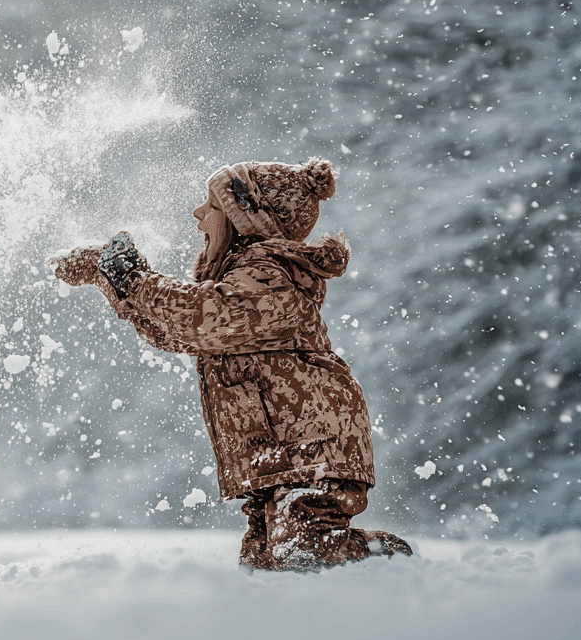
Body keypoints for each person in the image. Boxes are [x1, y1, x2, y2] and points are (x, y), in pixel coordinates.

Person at [51, 159, 412, 572]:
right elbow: (176, 333)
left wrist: (132, 279)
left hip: (313, 447)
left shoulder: (272, 276)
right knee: (262, 562)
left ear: (245, 219)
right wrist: (109, 278)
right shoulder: (242, 279)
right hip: (276, 456)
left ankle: (386, 562)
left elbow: (202, 315)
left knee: (304, 551)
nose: (198, 214)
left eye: (211, 205)